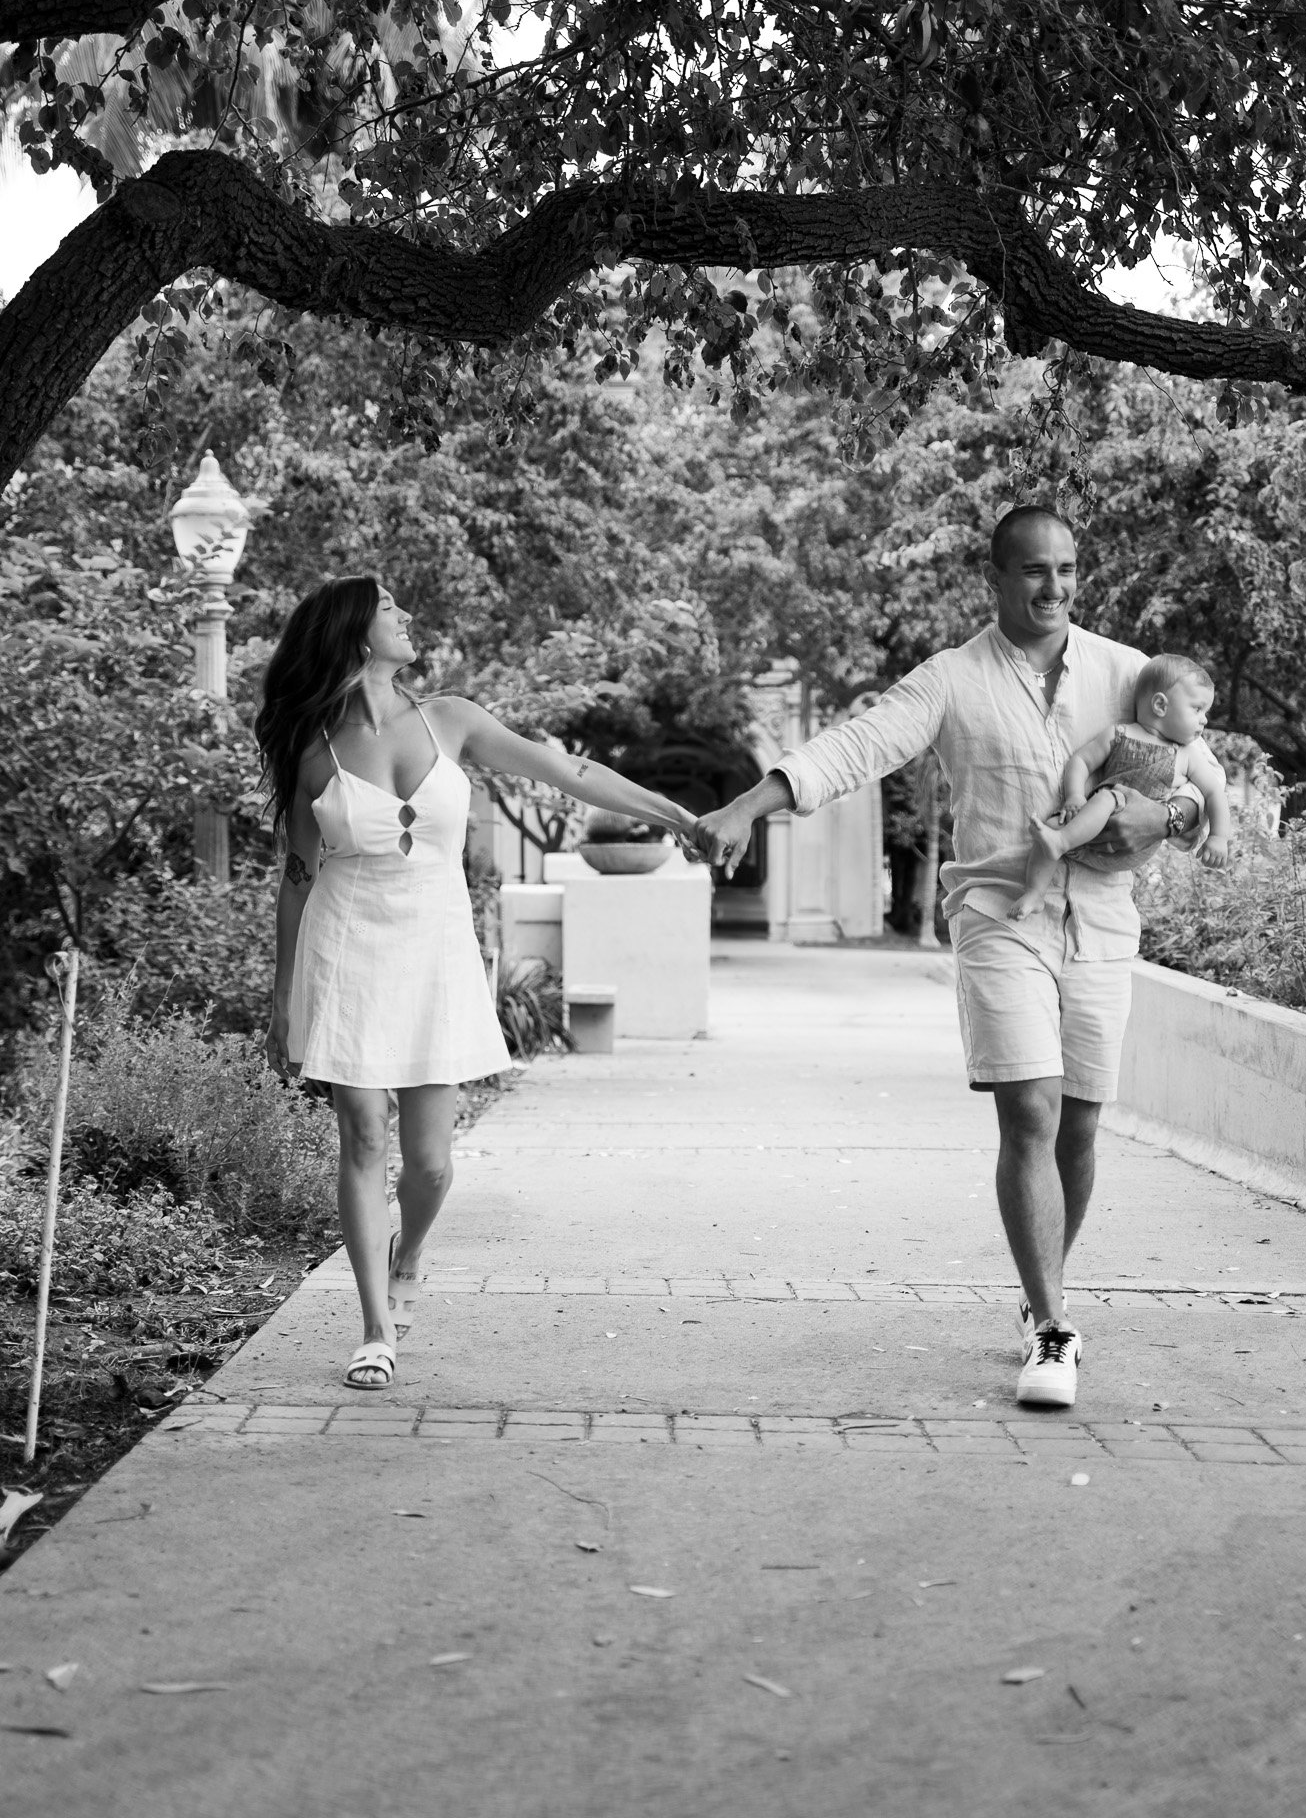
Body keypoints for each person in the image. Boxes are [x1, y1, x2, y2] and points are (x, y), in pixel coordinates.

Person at [692, 506, 1205, 1411]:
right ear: (997, 578)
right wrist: (748, 805)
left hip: (1102, 920)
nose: (1054, 588)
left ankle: (1036, 1285)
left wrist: (1161, 818)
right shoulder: (952, 679)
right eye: (1035, 571)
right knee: (1032, 1111)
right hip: (1000, 913)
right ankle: (1052, 1327)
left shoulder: (1129, 674)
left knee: (1081, 1125)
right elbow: (858, 746)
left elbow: (1202, 790)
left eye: (1067, 570)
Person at [257, 575, 695, 1391]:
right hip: (345, 946)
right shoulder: (311, 747)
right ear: (355, 631)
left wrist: (678, 816)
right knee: (361, 1136)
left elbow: (568, 772)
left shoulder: (448, 719)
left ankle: (407, 1253)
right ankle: (374, 1328)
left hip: (433, 949)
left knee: (428, 1164)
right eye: (392, 609)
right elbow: (294, 878)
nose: (408, 618)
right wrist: (282, 999)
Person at [1010, 653, 1231, 920]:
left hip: (1137, 843)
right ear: (1160, 705)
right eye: (1197, 709)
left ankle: (1060, 842)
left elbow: (1214, 792)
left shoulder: (1186, 754)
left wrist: (1219, 836)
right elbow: (1080, 761)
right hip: (1090, 829)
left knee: (1109, 797)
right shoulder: (1120, 734)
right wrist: (1075, 796)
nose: (1205, 720)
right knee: (1051, 826)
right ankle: (1035, 893)